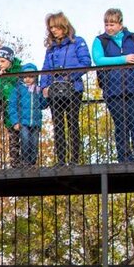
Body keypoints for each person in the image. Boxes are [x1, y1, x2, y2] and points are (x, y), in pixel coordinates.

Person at [92, 8, 134, 163]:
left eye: (112, 24)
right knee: (121, 124)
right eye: (106, 24)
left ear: (120, 24)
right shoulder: (100, 40)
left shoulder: (133, 37)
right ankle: (124, 159)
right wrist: (123, 59)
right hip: (113, 88)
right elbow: (98, 60)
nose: (109, 28)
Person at [40, 12, 90, 165]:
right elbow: (46, 68)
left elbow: (86, 62)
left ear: (64, 26)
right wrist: (44, 87)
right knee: (58, 124)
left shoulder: (77, 42)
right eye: (51, 28)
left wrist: (70, 76)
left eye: (56, 27)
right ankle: (61, 159)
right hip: (55, 90)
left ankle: (74, 158)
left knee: (73, 122)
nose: (53, 30)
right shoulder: (51, 48)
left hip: (73, 89)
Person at [0, 46, 25, 165]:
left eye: (3, 61)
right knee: (13, 137)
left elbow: (18, 84)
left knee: (24, 136)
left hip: (20, 108)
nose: (0, 64)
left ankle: (26, 161)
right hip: (5, 108)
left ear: (10, 60)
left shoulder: (19, 71)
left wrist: (6, 77)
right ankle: (14, 162)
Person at [8, 64, 45, 166]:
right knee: (25, 141)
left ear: (35, 77)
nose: (27, 79)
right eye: (25, 77)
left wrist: (45, 97)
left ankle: (32, 162)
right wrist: (15, 121)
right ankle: (25, 162)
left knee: (34, 143)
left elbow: (43, 105)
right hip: (23, 122)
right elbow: (12, 105)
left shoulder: (38, 90)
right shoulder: (18, 89)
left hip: (35, 121)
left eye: (31, 76)